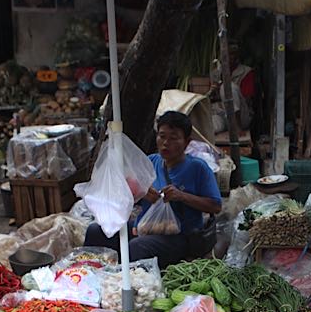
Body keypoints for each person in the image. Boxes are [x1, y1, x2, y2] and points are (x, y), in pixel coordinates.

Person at [83, 111, 222, 268]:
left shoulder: (197, 168)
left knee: (137, 246)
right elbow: (130, 194)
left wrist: (181, 196)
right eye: (162, 136)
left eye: (173, 138)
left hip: (180, 236)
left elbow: (215, 206)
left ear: (186, 142)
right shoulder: (151, 162)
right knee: (95, 230)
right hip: (145, 227)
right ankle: (91, 272)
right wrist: (142, 193)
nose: (166, 143)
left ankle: (129, 280)